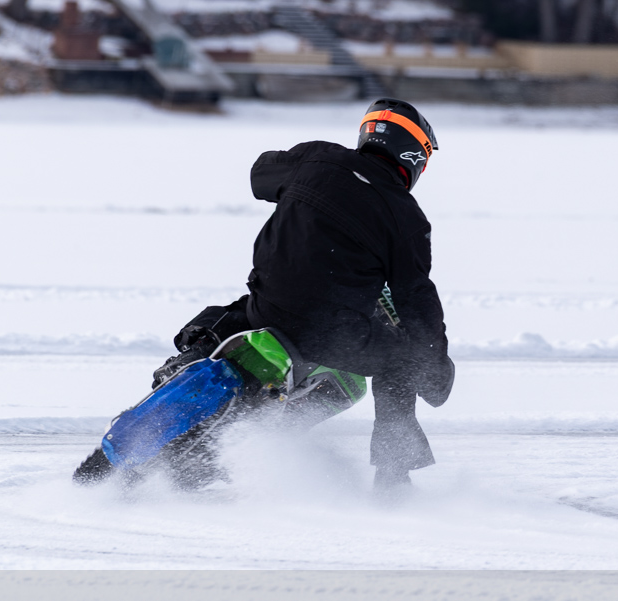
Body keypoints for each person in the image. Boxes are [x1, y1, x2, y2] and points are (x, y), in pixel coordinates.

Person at [153, 98, 455, 493]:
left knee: (224, 316)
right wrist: (435, 369)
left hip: (268, 309)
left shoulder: (317, 159)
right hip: (333, 335)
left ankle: (187, 361)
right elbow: (418, 303)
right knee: (396, 363)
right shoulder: (407, 218)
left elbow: (260, 175)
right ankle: (393, 476)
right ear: (415, 154)